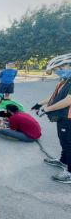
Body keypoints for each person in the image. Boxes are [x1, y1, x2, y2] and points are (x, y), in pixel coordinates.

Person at [31, 53, 71, 183]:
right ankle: (63, 161)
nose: (56, 72)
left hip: (69, 117)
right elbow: (53, 96)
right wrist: (39, 103)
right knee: (64, 140)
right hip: (63, 117)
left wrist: (46, 109)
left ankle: (69, 173)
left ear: (67, 65)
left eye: (57, 69)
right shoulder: (65, 80)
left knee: (68, 143)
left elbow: (68, 100)